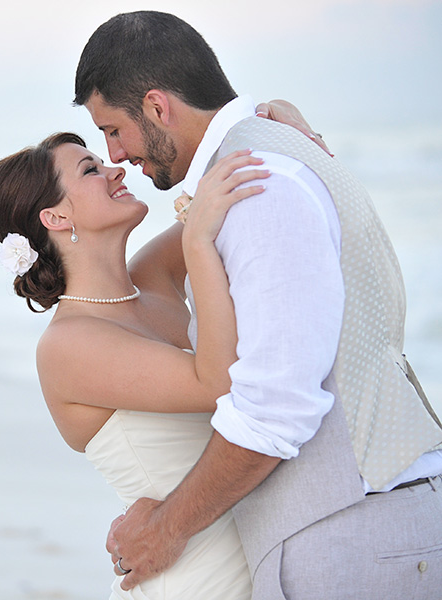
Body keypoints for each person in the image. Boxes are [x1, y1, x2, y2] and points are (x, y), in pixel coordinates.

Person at [72, 11, 442, 599]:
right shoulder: (265, 162)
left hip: (353, 537)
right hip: (362, 524)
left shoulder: (255, 185)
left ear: (158, 107)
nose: (116, 154)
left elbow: (274, 407)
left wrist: (163, 533)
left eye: (114, 130)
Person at [0, 131, 268, 598]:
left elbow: (228, 190)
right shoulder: (67, 345)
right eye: (91, 169)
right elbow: (215, 382)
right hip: (192, 580)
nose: (117, 169)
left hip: (261, 557)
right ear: (55, 216)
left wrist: (268, 120)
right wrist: (197, 246)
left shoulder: (150, 278)